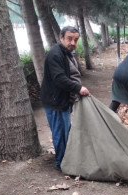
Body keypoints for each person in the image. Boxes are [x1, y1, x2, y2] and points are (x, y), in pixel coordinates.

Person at [40, 26, 90, 170]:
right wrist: (78, 88)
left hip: (63, 99)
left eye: (76, 40)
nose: (73, 42)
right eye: (69, 38)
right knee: (60, 134)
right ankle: (61, 164)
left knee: (65, 131)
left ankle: (66, 160)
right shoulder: (55, 54)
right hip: (55, 101)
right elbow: (59, 78)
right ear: (61, 37)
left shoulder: (67, 53)